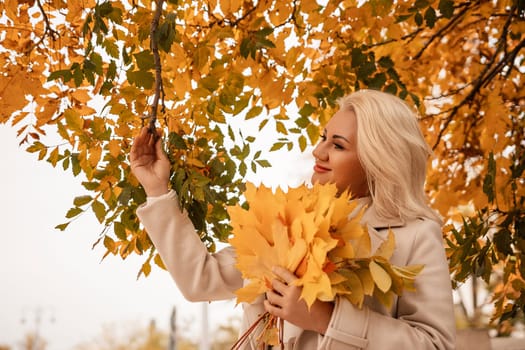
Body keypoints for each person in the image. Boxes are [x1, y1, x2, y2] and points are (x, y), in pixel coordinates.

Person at [130, 89, 456, 349]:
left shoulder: (415, 234)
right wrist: (157, 188)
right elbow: (202, 280)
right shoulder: (287, 217)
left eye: (338, 145)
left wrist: (328, 319)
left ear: (379, 158)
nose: (319, 151)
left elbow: (434, 344)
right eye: (324, 137)